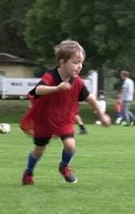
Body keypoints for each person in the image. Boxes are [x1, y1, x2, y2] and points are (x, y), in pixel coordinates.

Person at [19, 40, 111, 186]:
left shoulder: (78, 82)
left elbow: (91, 99)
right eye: (75, 62)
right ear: (62, 63)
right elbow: (37, 90)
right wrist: (56, 88)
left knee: (70, 145)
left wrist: (101, 115)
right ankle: (28, 172)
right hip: (45, 119)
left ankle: (64, 167)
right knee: (39, 150)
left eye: (81, 62)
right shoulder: (51, 76)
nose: (79, 66)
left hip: (64, 119)